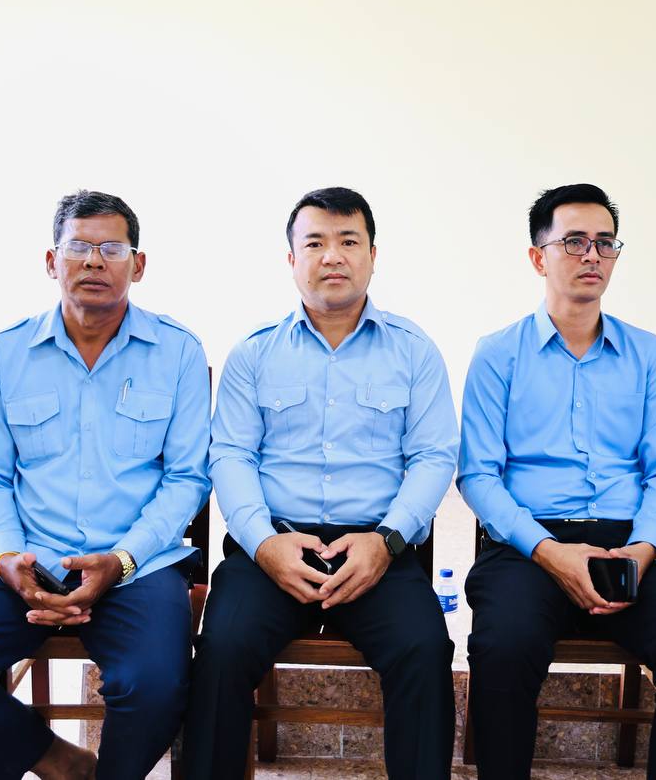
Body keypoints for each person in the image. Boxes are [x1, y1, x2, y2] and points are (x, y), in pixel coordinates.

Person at [0, 190, 211, 780]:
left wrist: (121, 559)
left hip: (136, 564)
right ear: (51, 261)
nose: (94, 261)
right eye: (78, 247)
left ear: (138, 265)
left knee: (156, 686)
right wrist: (8, 557)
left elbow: (187, 477)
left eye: (112, 249)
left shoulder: (178, 352)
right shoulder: (6, 353)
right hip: (21, 559)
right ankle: (60, 762)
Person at [458, 183, 656, 779]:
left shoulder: (647, 354)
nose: (592, 255)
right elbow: (478, 476)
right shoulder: (498, 354)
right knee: (502, 651)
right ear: (538, 257)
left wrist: (643, 551)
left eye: (605, 243)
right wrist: (549, 553)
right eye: (575, 242)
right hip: (528, 547)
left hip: (630, 544)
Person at [183, 187, 459, 780]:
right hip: (271, 550)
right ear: (292, 260)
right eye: (315, 243)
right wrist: (264, 544)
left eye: (348, 241)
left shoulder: (414, 352)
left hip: (377, 549)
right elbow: (230, 456)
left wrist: (387, 541)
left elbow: (435, 457)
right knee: (222, 651)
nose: (332, 256)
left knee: (424, 650)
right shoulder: (254, 353)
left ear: (373, 255)